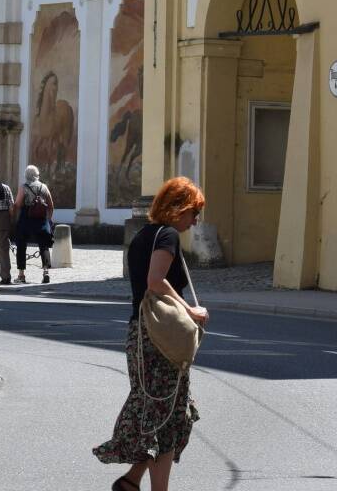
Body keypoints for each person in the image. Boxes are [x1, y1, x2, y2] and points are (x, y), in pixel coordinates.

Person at [94, 176, 208, 491]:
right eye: (193, 212)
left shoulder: (144, 235)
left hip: (140, 333)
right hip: (158, 340)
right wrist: (190, 311)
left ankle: (131, 481)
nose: (195, 220)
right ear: (177, 209)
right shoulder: (168, 235)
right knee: (166, 416)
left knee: (157, 411)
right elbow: (155, 281)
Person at [11, 165, 54, 284]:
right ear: (37, 175)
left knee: (21, 245)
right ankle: (46, 272)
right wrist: (49, 220)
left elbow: (18, 204)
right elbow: (51, 205)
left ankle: (21, 275)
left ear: (26, 176)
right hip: (41, 219)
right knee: (43, 245)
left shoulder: (24, 187)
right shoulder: (44, 187)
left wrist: (13, 217)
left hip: (26, 219)